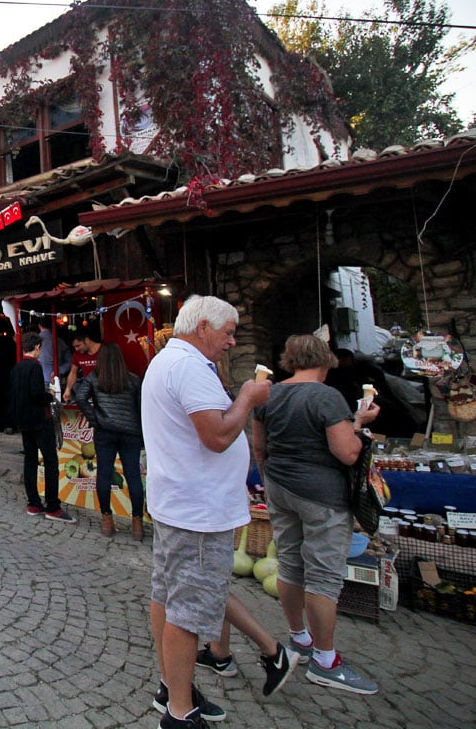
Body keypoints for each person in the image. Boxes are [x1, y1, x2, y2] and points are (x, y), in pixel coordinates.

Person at [141, 295, 293, 728]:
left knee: (168, 598)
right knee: (185, 611)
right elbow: (217, 436)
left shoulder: (170, 360)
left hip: (182, 502)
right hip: (198, 509)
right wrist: (246, 397)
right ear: (203, 326)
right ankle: (180, 714)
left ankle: (174, 689)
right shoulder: (188, 366)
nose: (231, 341)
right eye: (228, 332)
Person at [252, 334, 382, 695]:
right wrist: (359, 425)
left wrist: (268, 479)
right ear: (326, 361)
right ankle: (326, 661)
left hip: (279, 486)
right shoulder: (327, 397)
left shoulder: (269, 393)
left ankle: (299, 639)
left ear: (289, 360)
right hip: (322, 495)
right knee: (324, 576)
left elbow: (259, 445)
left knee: (290, 564)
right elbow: (347, 454)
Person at [72, 342, 145, 540]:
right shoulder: (134, 380)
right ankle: (137, 524)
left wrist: (95, 418)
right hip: (131, 433)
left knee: (104, 474)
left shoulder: (94, 378)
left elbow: (79, 397)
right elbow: (141, 409)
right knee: (133, 477)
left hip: (105, 432)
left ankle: (107, 519)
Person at [9, 331, 74, 523]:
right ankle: (53, 506)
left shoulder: (17, 368)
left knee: (30, 461)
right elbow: (37, 394)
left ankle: (34, 502)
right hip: (39, 421)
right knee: (50, 462)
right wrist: (50, 395)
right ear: (37, 348)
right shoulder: (35, 367)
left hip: (24, 422)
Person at [63, 326, 102, 401]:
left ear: (87, 340)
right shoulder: (77, 354)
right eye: (74, 347)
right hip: (88, 390)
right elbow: (73, 373)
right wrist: (68, 389)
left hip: (103, 390)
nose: (76, 349)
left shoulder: (104, 350)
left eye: (78, 345)